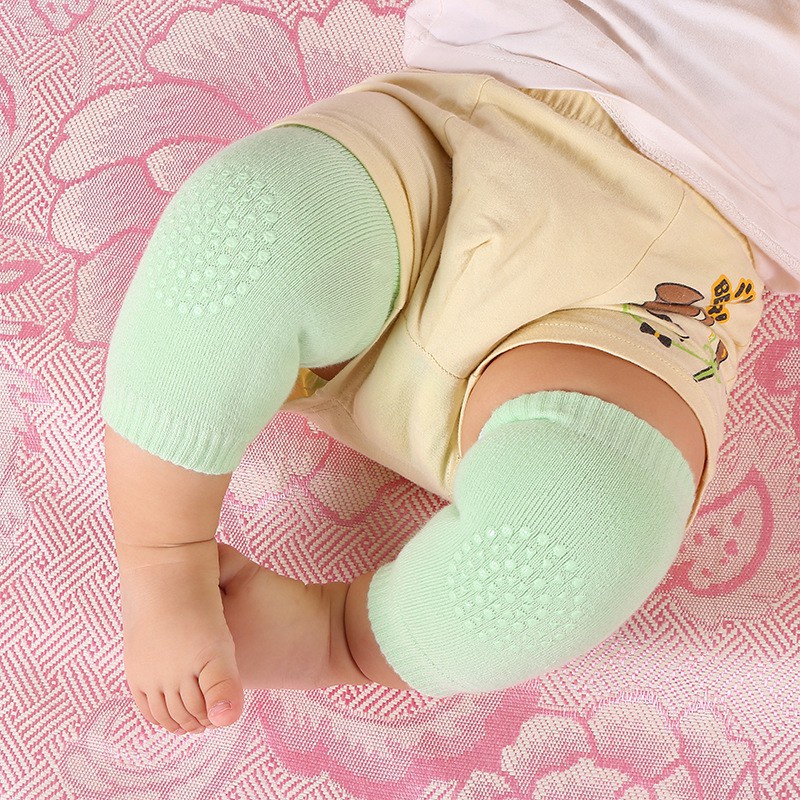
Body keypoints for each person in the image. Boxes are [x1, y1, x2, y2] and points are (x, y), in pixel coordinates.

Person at [101, 0, 798, 737]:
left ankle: (340, 638)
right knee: (251, 225)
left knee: (588, 517)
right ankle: (163, 554)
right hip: (469, 114)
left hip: (672, 280)